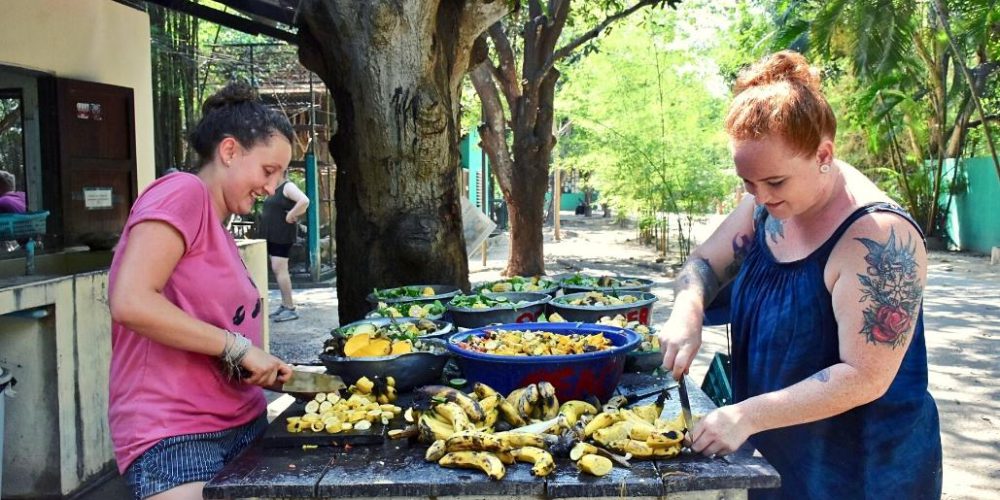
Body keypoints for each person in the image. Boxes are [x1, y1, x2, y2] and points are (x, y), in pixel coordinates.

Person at [658, 51, 942, 499]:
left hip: (863, 470)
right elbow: (704, 264)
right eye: (749, 184)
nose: (759, 197)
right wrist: (687, 310)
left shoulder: (878, 238)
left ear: (823, 154)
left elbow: (866, 376)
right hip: (779, 446)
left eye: (774, 182)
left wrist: (747, 415)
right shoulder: (765, 204)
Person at [107, 81, 295, 500]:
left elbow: (208, 333)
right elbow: (130, 301)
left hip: (243, 424)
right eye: (268, 171)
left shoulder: (221, 230)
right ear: (229, 151)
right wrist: (238, 348)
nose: (272, 188)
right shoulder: (183, 192)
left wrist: (266, 366)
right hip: (180, 439)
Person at [259, 172, 309, 322]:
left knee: (279, 269)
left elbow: (304, 201)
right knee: (277, 269)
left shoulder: (288, 186)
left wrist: (291, 214)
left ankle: (290, 308)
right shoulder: (275, 188)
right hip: (273, 235)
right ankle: (285, 304)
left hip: (282, 235)